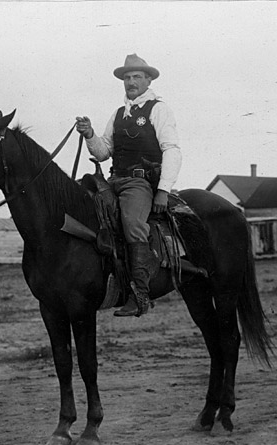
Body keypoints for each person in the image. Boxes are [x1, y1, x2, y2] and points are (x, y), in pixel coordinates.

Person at [76, 53, 182, 317]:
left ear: (148, 80)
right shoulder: (118, 114)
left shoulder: (158, 109)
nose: (130, 82)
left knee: (133, 224)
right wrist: (90, 134)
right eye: (127, 77)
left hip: (140, 182)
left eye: (136, 77)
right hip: (114, 179)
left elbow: (172, 150)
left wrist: (163, 190)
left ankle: (141, 294)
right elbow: (104, 152)